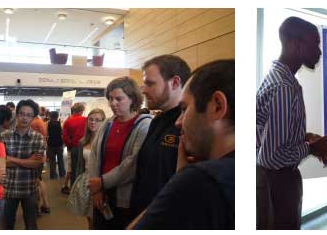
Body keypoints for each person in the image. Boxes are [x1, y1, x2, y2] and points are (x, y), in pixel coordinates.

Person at [130, 59, 235, 229]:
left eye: (185, 108)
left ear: (217, 106)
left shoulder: (201, 180)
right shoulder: (156, 121)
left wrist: (180, 181)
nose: (179, 122)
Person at [256, 17, 327, 229]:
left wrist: (305, 137)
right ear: (295, 45)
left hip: (276, 182)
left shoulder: (279, 79)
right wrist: (311, 148)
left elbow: (270, 132)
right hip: (276, 184)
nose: (319, 51)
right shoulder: (283, 88)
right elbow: (271, 157)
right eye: (315, 44)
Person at [129, 55, 191, 216]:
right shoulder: (157, 121)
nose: (142, 90)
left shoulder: (190, 125)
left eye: (150, 83)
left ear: (175, 82)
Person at [87, 77, 152, 229]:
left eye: (119, 98)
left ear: (133, 99)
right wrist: (96, 189)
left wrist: (102, 182)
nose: (113, 103)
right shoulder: (107, 123)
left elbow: (132, 164)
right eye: (110, 98)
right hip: (101, 193)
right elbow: (94, 156)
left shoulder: (144, 125)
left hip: (126, 197)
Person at [2, 99, 46, 229]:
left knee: (31, 225)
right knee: (7, 225)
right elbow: (1, 163)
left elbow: (36, 164)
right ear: (17, 114)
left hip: (30, 189)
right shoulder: (4, 136)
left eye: (28, 115)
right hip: (8, 189)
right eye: (21, 114)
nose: (24, 118)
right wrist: (28, 160)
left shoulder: (37, 137)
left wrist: (11, 159)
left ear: (33, 117)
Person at [67, 108, 106, 229]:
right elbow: (80, 166)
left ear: (103, 122)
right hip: (86, 183)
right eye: (91, 119)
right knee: (89, 219)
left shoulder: (106, 141)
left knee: (101, 218)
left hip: (102, 182)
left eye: (97, 120)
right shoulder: (83, 142)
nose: (93, 122)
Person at [62, 102, 87, 189]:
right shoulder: (86, 120)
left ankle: (73, 189)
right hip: (85, 147)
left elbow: (65, 138)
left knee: (73, 170)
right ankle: (83, 189)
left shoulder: (68, 121)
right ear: (81, 111)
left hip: (74, 148)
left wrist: (70, 145)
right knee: (85, 170)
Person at [47, 111, 65, 180]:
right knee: (61, 159)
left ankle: (53, 175)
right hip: (59, 143)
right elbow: (62, 133)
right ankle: (62, 174)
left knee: (52, 161)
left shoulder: (48, 123)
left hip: (51, 144)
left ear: (50, 116)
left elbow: (47, 133)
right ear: (57, 116)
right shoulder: (60, 123)